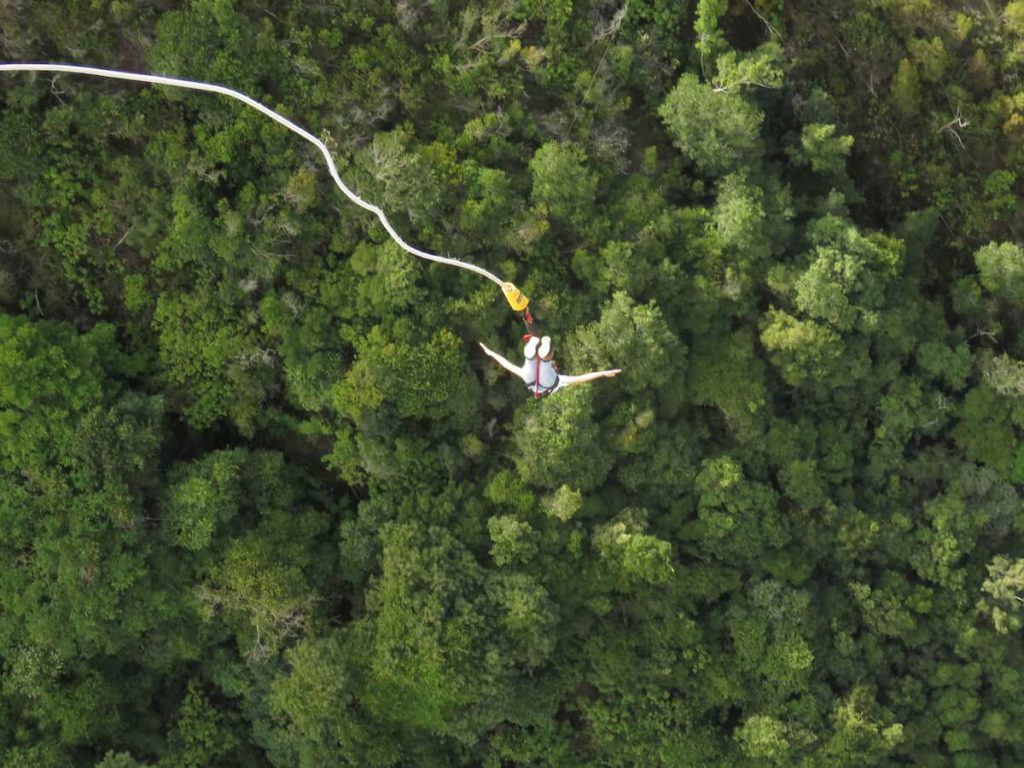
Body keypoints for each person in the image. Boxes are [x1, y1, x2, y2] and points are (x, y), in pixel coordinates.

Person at [479, 335, 621, 397]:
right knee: (531, 359)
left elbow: (582, 378)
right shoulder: (557, 382)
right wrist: (490, 353)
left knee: (540, 360)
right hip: (530, 379)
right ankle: (534, 349)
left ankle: (542, 348)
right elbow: (507, 365)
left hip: (545, 379)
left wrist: (490, 352)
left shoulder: (559, 380)